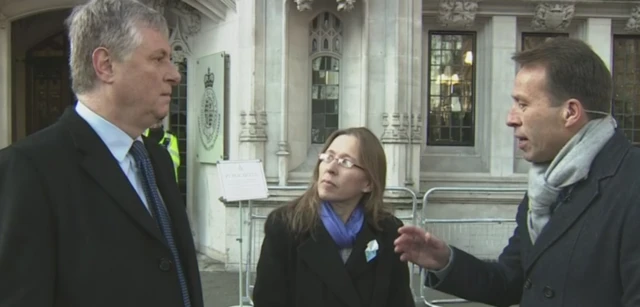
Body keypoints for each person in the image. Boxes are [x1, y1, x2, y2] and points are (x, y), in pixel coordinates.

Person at [394, 37, 640, 306]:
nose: (511, 119)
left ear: (570, 112)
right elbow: (509, 281)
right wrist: (445, 261)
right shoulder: (545, 186)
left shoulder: (630, 185)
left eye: (523, 105)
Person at [0, 1, 204, 306]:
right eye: (159, 58)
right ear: (105, 65)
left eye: (171, 59)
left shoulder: (155, 160)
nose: (174, 74)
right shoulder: (29, 168)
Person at [252, 127, 415, 307]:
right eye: (328, 157)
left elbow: (400, 300)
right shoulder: (285, 226)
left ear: (368, 183)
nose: (330, 168)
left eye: (345, 162)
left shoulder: (388, 231)